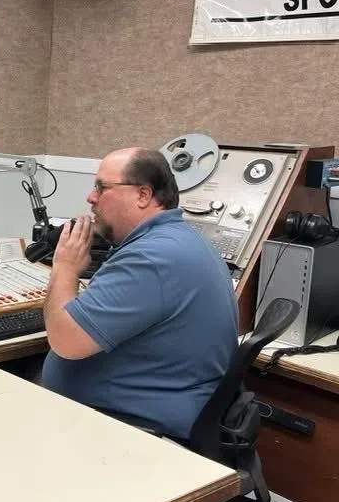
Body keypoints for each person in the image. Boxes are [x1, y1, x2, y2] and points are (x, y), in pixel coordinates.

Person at [41, 148, 238, 439]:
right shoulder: (178, 239)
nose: (91, 197)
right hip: (149, 406)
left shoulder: (151, 258)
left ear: (143, 195)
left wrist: (65, 269)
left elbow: (65, 341)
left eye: (101, 187)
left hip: (134, 427)